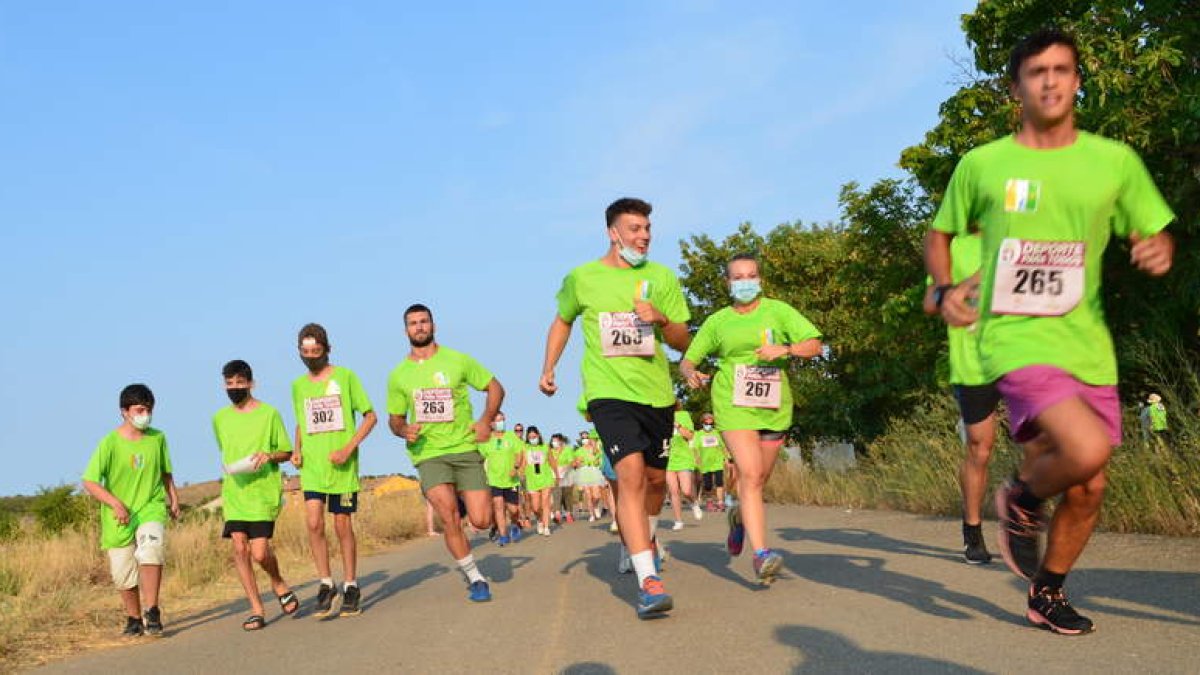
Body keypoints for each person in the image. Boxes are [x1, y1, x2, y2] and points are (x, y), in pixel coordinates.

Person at [925, 29, 1174, 635]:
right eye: (1036, 71)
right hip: (1015, 338)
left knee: (1090, 484)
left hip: (1086, 341)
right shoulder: (983, 164)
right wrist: (942, 289)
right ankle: (1021, 498)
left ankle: (1048, 592)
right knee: (1084, 449)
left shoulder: (1114, 161)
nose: (1051, 80)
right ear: (1016, 88)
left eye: (1063, 69)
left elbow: (1152, 227)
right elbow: (940, 236)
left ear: (1078, 80)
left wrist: (1154, 246)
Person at [540, 197, 690, 619]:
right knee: (629, 474)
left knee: (656, 483)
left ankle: (645, 537)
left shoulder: (661, 277)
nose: (643, 237)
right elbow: (562, 320)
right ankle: (649, 581)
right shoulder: (582, 278)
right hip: (607, 393)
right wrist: (548, 367)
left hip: (657, 394)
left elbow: (682, 341)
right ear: (612, 233)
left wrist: (661, 318)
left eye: (646, 229)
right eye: (634, 229)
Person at [681, 253, 823, 585]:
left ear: (760, 280)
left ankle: (740, 520)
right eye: (738, 277)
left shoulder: (779, 311)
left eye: (751, 275)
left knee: (757, 481)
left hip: (774, 406)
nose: (746, 282)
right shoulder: (718, 321)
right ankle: (761, 556)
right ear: (728, 283)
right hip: (733, 403)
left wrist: (785, 350)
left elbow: (814, 345)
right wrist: (690, 373)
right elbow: (688, 360)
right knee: (750, 472)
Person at [387, 304, 504, 602]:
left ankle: (468, 507)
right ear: (405, 331)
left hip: (464, 447)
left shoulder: (457, 360)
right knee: (449, 518)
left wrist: (485, 421)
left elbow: (495, 387)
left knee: (481, 520)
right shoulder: (399, 375)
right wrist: (403, 430)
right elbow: (395, 418)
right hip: (428, 453)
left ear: (434, 326)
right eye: (413, 323)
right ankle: (475, 577)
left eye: (424, 321)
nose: (419, 327)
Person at [924, 230, 1001, 564]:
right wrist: (974, 281)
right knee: (979, 448)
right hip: (973, 364)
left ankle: (1024, 518)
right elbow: (931, 301)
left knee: (1046, 437)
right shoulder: (953, 247)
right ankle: (973, 532)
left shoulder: (1021, 237)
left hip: (1024, 354)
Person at [291, 323, 377, 617]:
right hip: (313, 468)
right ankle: (326, 583)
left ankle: (351, 585)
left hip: (342, 467)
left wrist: (348, 449)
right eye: (306, 352)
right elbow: (302, 421)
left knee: (342, 526)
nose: (311, 356)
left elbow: (370, 416)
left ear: (327, 349)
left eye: (316, 351)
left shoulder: (346, 377)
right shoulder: (298, 386)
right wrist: (297, 449)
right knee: (314, 523)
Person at [82, 384, 180, 637]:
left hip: (150, 506)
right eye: (139, 409)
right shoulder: (110, 443)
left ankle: (152, 610)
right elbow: (90, 481)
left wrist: (173, 498)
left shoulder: (157, 438)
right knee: (122, 573)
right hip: (120, 515)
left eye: (148, 410)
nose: (144, 414)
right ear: (124, 411)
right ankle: (134, 618)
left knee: (151, 551)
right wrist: (114, 503)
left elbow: (165, 472)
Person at [212, 360, 298, 631]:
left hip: (262, 493)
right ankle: (256, 609)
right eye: (229, 383)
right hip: (235, 493)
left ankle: (278, 581)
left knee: (260, 553)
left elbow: (286, 452)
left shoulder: (269, 414)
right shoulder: (219, 419)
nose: (234, 388)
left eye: (239, 382)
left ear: (251, 383)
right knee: (239, 548)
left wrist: (268, 456)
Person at [479, 410, 523, 545]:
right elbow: (480, 457)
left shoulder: (511, 437)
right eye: (498, 420)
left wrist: (516, 468)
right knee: (498, 506)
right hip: (494, 480)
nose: (501, 423)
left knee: (513, 510)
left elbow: (519, 454)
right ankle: (503, 535)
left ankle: (515, 524)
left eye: (502, 420)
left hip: (511, 480)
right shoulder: (486, 440)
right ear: (491, 423)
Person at [665, 402, 702, 529]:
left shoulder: (683, 415)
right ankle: (678, 520)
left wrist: (678, 425)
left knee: (686, 490)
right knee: (674, 491)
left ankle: (694, 502)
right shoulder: (659, 416)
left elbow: (690, 436)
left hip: (683, 458)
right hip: (667, 459)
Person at [523, 426, 557, 536]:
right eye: (530, 437)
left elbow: (552, 462)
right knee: (536, 507)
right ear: (527, 438)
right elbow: (523, 463)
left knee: (545, 503)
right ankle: (539, 520)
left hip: (545, 478)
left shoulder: (545, 447)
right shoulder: (525, 448)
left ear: (538, 435)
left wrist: (556, 475)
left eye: (534, 436)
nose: (533, 438)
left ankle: (546, 527)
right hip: (532, 480)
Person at [692, 414, 727, 511]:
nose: (708, 425)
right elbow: (695, 448)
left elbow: (722, 446)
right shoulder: (699, 434)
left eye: (711, 423)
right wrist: (697, 459)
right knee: (708, 485)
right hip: (705, 463)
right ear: (702, 423)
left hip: (717, 462)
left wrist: (727, 458)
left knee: (719, 483)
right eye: (706, 423)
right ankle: (710, 502)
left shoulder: (716, 433)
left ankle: (720, 502)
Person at [550, 433, 577, 524]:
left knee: (567, 494)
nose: (554, 442)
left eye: (556, 440)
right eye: (553, 440)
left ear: (561, 441)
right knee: (557, 493)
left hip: (567, 473)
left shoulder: (567, 450)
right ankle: (557, 513)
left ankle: (568, 513)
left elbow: (572, 462)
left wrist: (566, 467)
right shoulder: (551, 451)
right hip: (555, 474)